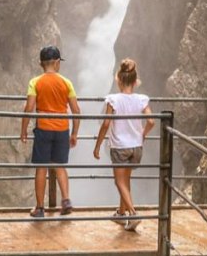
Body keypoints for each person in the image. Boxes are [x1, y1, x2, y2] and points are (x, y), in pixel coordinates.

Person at [93, 59, 153, 231]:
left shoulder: (113, 99)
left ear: (118, 79)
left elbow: (106, 124)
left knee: (119, 182)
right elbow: (150, 121)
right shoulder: (142, 99)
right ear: (135, 81)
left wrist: (97, 146)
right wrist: (143, 135)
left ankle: (133, 214)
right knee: (126, 180)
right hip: (136, 147)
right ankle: (121, 213)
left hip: (120, 147)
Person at [21, 45, 80, 217]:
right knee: (59, 166)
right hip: (62, 129)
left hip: (43, 129)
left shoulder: (35, 82)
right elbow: (76, 110)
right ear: (56, 63)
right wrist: (74, 133)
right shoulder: (66, 82)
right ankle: (66, 200)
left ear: (41, 64)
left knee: (41, 168)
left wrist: (23, 129)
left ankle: (40, 208)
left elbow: (29, 107)